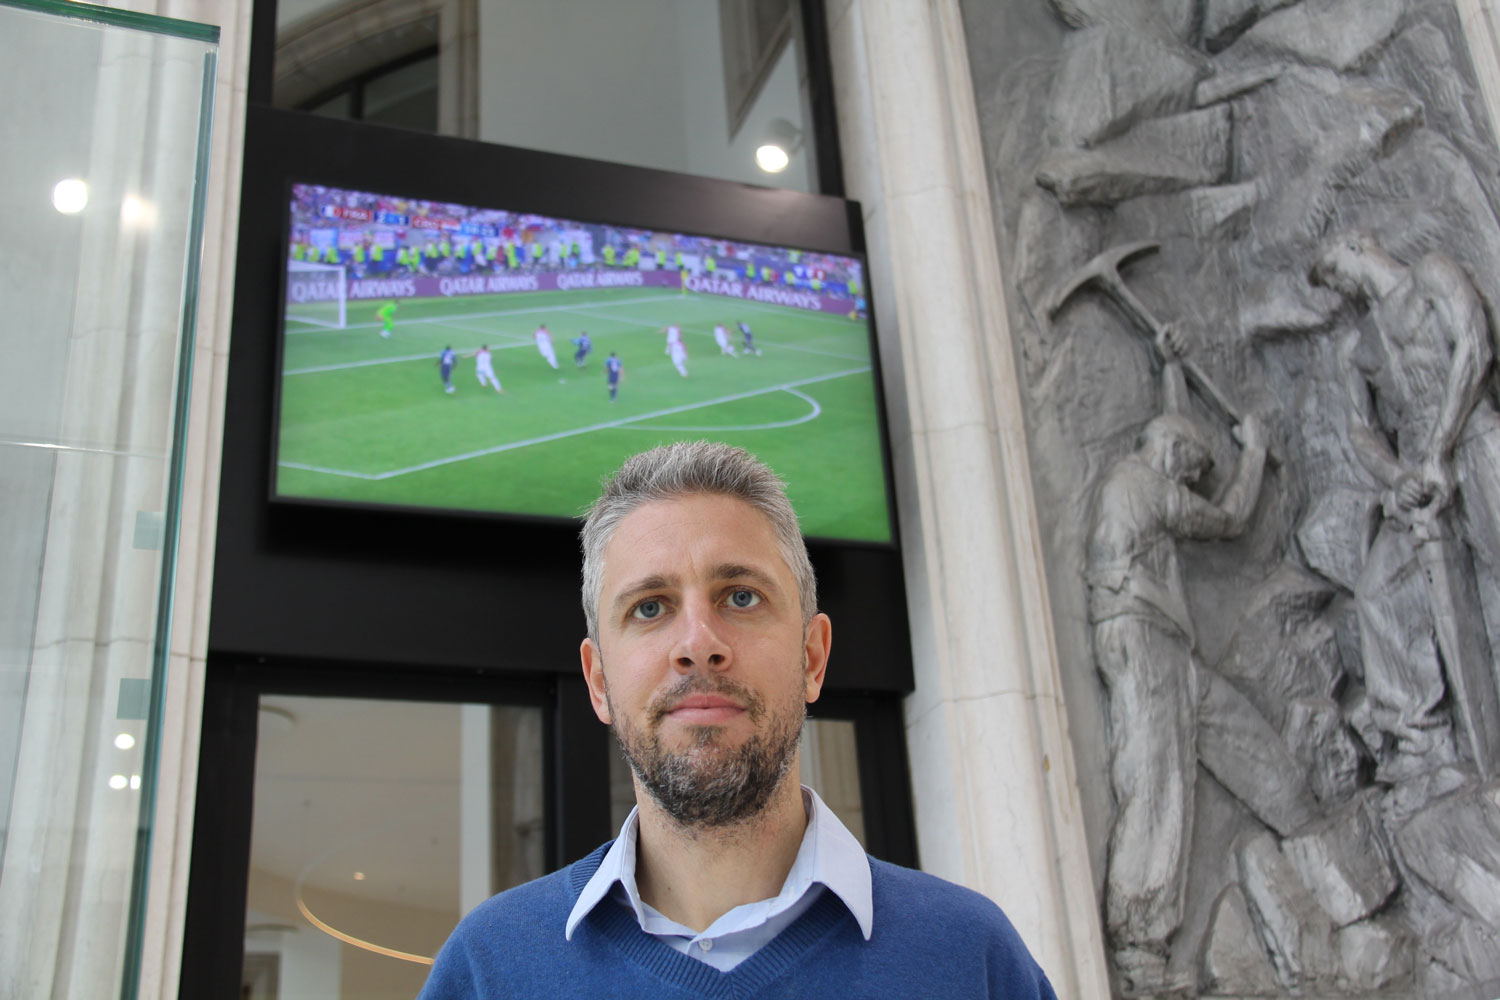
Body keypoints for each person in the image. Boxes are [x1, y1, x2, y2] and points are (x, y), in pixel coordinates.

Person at [418, 442, 1057, 999]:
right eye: (649, 608)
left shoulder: (974, 960)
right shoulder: (488, 970)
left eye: (741, 597)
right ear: (598, 681)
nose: (698, 641)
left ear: (812, 658)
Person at [1086, 336, 1317, 996]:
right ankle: (1140, 950)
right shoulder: (1145, 487)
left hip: (1166, 646)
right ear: (1171, 457)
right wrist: (1254, 454)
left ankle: (1302, 822)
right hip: (1143, 642)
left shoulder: (1143, 473)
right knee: (1157, 782)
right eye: (1193, 466)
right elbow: (1231, 519)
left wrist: (1172, 370)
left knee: (1233, 729)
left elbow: (1170, 433)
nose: (1194, 475)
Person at [1311, 230, 1500, 774]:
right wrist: (1397, 477)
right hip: (1415, 475)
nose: (1340, 286)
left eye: (1335, 270)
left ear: (1356, 244)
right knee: (1377, 592)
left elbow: (1475, 345)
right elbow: (1359, 430)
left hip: (1472, 438)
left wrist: (1441, 446)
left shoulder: (1432, 274)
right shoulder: (1356, 345)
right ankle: (1424, 742)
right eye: (1330, 283)